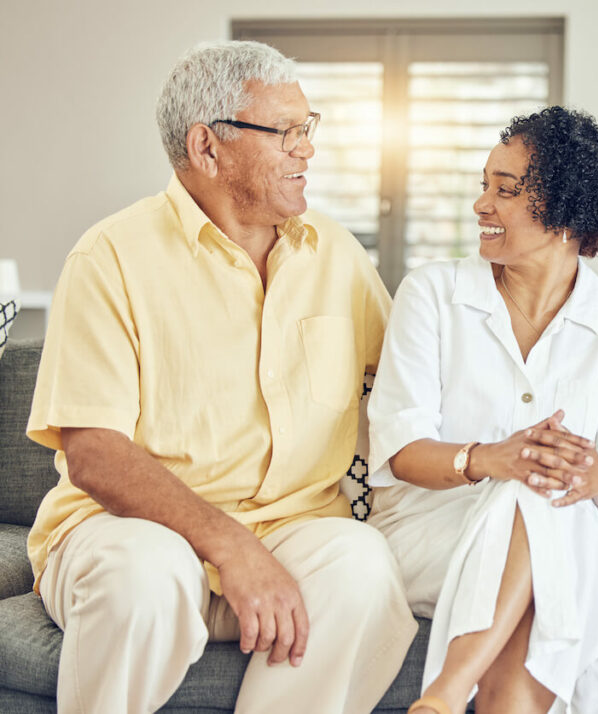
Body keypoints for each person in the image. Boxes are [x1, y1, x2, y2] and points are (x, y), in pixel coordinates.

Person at [25, 40, 416, 714]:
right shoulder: (110, 257)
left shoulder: (336, 255)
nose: (308, 150)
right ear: (207, 148)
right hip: (128, 530)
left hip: (294, 531)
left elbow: (410, 385)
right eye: (287, 132)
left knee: (361, 567)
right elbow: (95, 454)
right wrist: (232, 547)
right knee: (144, 575)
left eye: (308, 128)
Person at [366, 106, 598, 714]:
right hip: (430, 534)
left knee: (544, 496)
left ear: (567, 212)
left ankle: (444, 696)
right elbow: (402, 454)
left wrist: (593, 476)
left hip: (557, 535)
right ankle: (445, 696)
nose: (482, 204)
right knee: (538, 493)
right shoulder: (431, 293)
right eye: (483, 184)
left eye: (504, 190)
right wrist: (492, 459)